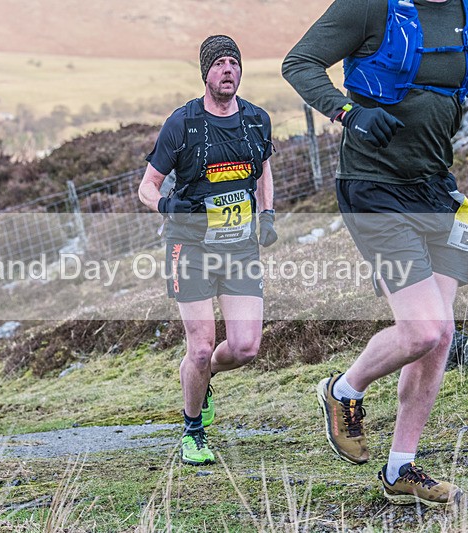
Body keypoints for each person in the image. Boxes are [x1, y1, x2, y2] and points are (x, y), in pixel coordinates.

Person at [282, 0, 468, 506]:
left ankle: (401, 467)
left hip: (436, 188)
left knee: (439, 337)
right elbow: (300, 62)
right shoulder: (370, 6)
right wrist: (349, 113)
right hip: (374, 188)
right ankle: (344, 390)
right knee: (423, 328)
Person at [139, 35, 277, 466]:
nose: (228, 69)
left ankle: (205, 377)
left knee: (245, 347)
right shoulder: (182, 124)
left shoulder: (256, 120)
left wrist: (267, 216)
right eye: (219, 63)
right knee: (199, 347)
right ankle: (192, 431)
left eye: (234, 62)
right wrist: (166, 204)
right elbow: (147, 186)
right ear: (206, 72)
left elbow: (263, 174)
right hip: (190, 246)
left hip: (239, 248)